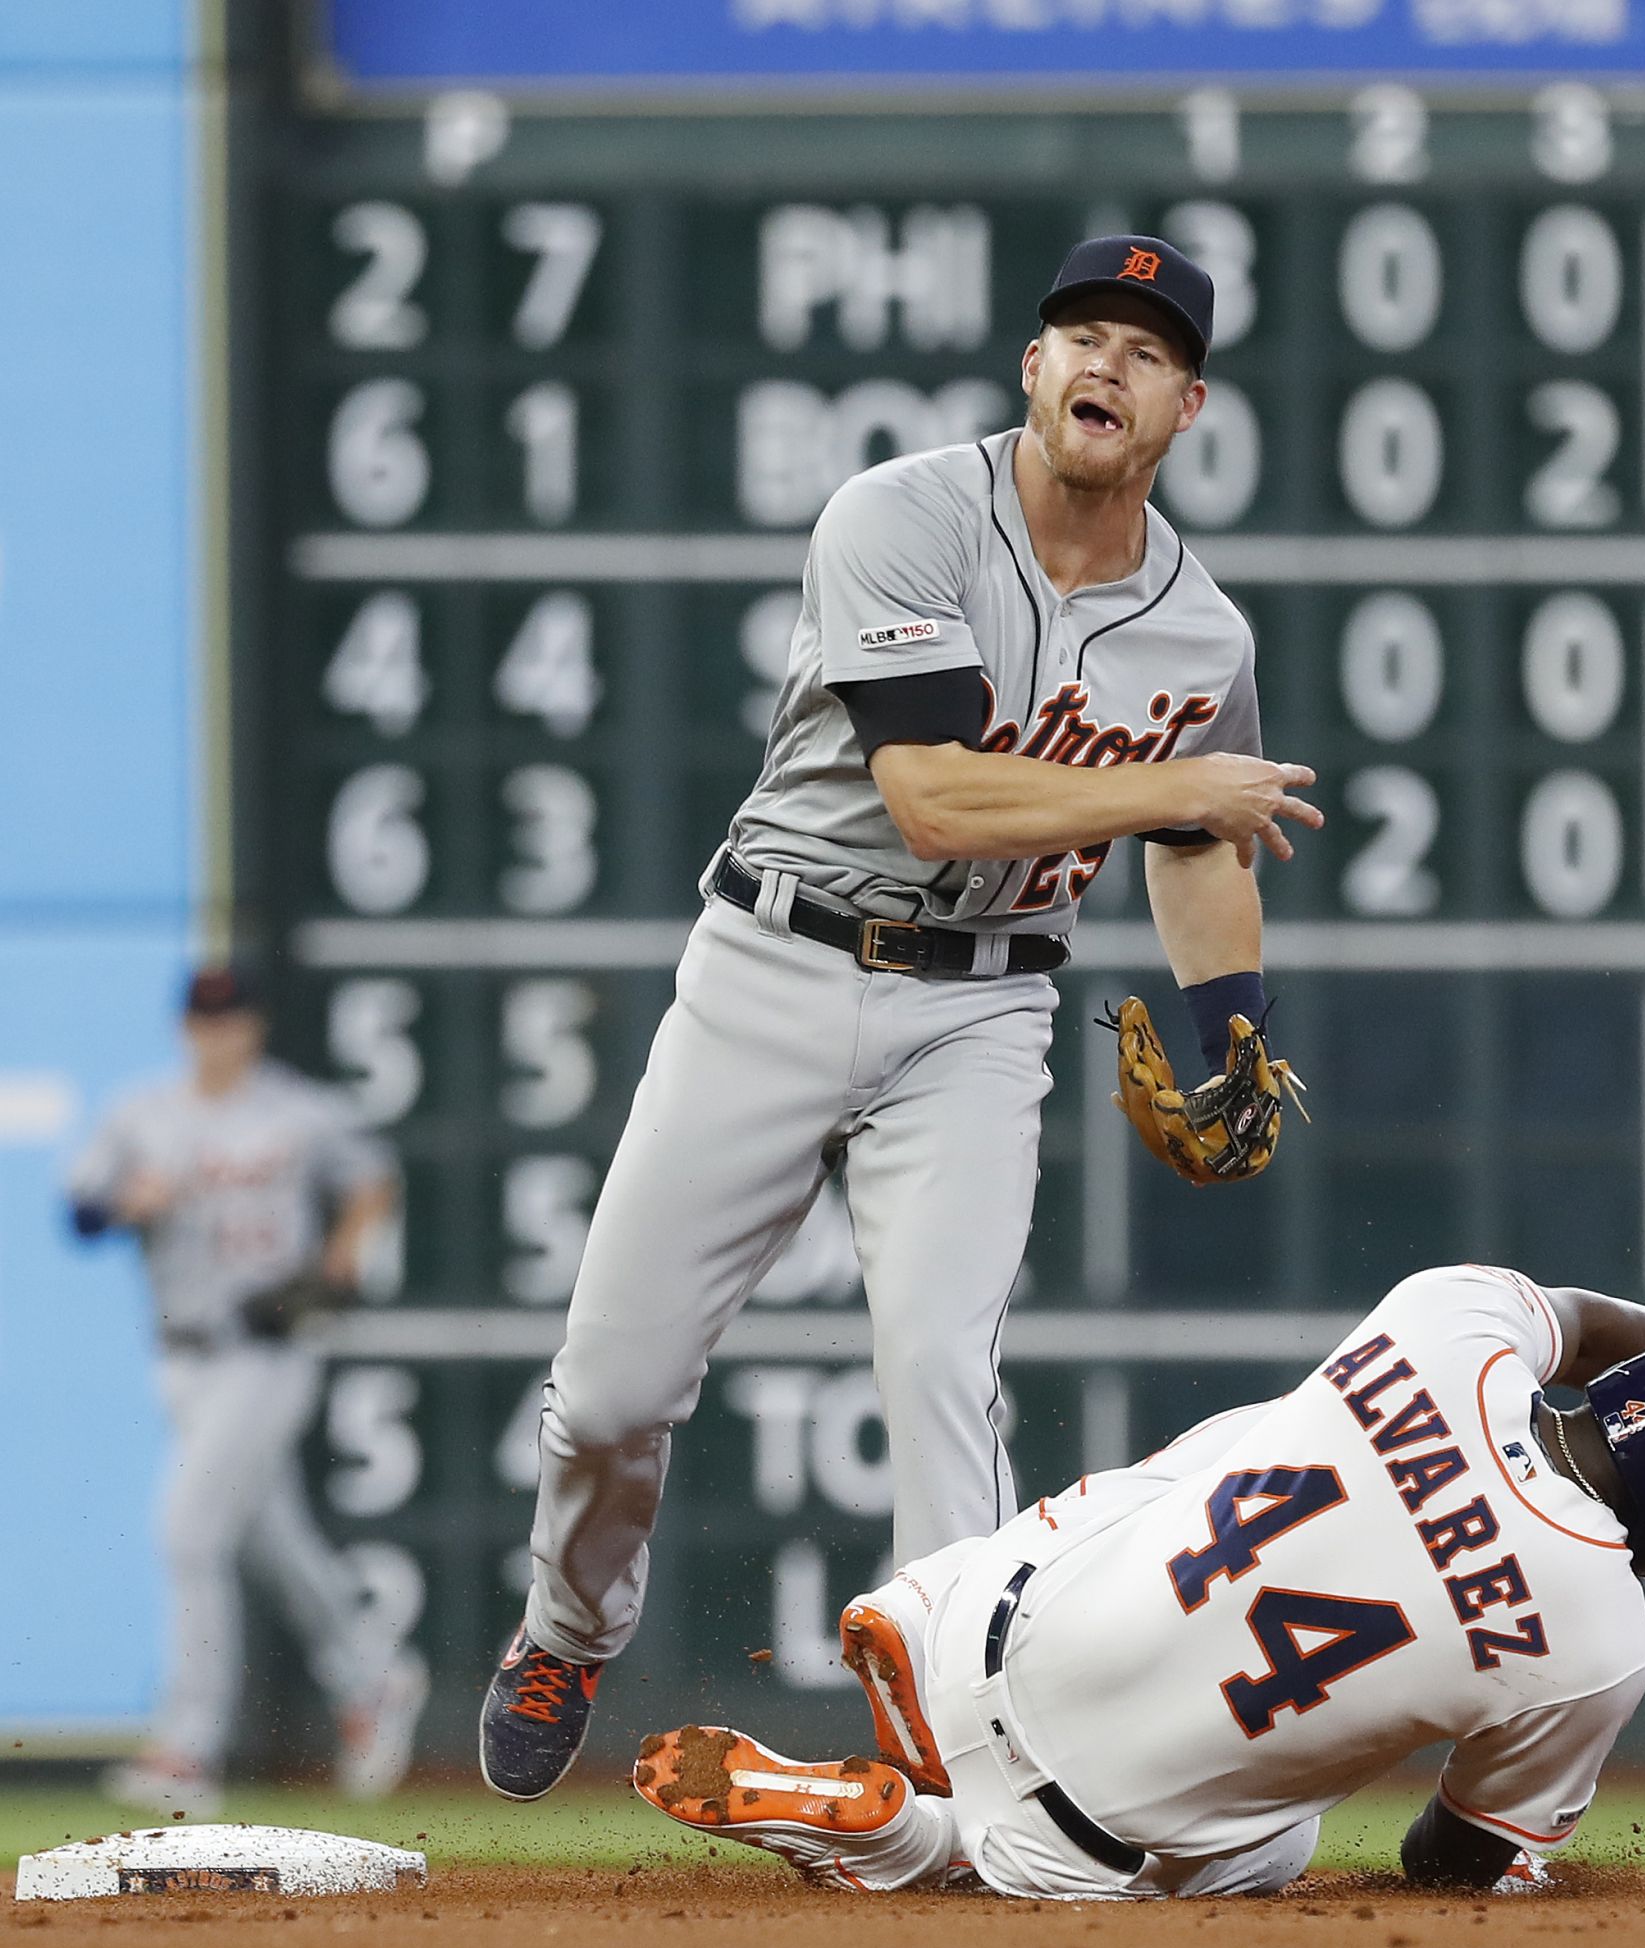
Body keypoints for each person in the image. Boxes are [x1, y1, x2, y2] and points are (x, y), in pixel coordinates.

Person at [479, 234, 1324, 1796]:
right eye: (1078, 336)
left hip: (982, 1014)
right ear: (1029, 367)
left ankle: (961, 1750)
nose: (1101, 366)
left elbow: (1200, 848)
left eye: (1141, 355)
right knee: (608, 1397)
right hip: (775, 966)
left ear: (1184, 407)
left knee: (941, 1378)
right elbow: (932, 799)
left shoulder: (1200, 634)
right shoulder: (899, 515)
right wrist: (1171, 785)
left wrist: (1235, 1019)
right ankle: (567, 1628)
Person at [632, 1262, 1645, 1898]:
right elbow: (1450, 1863)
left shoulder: (1447, 1325)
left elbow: (1587, 1319)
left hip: (998, 1610)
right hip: (1071, 1829)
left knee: (1242, 1444)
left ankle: (914, 1617)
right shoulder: (1597, 1641)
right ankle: (906, 1837)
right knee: (1275, 1837)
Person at [67, 963, 424, 1816]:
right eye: (203, 1019)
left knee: (187, 1532)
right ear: (184, 1027)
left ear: (253, 1027)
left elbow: (373, 1177)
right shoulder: (141, 1114)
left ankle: (187, 1750)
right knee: (275, 1540)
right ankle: (375, 1675)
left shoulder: (298, 1111)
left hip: (266, 1349)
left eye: (230, 1019)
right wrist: (127, 1200)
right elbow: (78, 1211)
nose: (217, 1033)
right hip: (180, 1358)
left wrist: (343, 1249)